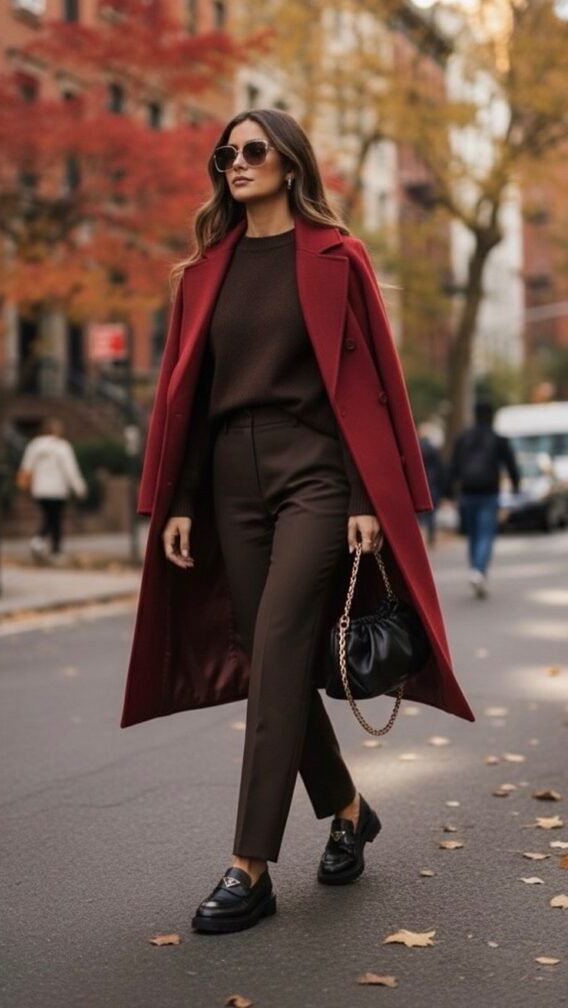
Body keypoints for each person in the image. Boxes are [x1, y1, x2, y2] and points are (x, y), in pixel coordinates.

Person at [121, 108, 473, 935]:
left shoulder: (336, 257)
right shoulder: (204, 269)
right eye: (226, 153)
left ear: (288, 164)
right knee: (271, 658)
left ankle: (250, 866)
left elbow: (372, 384)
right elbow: (187, 397)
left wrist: (363, 496)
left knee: (279, 645)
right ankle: (348, 809)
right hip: (228, 483)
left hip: (314, 472)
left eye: (253, 151)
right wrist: (174, 500)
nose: (235, 163)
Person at [447, 400, 520, 598]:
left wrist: (449, 492)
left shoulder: (463, 438)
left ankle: (476, 571)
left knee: (473, 535)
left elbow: (453, 466)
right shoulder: (497, 439)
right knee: (486, 533)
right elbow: (511, 465)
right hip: (489, 493)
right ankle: (479, 571)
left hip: (467, 492)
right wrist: (515, 487)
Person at [17, 418, 87, 562]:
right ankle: (52, 548)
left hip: (40, 490)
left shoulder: (34, 446)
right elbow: (70, 470)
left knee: (49, 518)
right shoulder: (63, 447)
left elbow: (26, 467)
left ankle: (41, 543)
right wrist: (80, 488)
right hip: (57, 491)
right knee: (55, 520)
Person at [417, 423, 446, 548]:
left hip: (419, 485)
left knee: (420, 514)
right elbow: (440, 469)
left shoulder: (416, 448)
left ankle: (421, 538)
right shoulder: (433, 450)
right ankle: (431, 538)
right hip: (432, 484)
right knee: (431, 514)